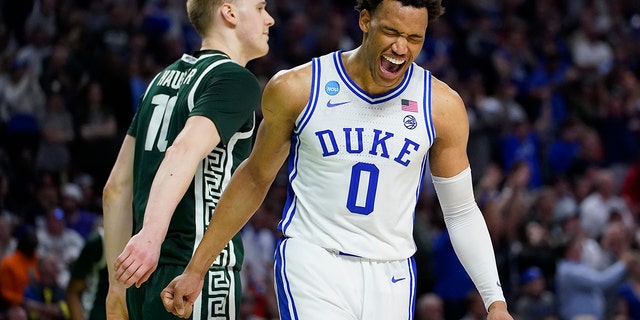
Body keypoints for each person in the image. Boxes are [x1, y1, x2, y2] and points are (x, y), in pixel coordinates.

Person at [162, 0, 513, 319]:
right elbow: (255, 177)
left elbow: (461, 212)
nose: (400, 48)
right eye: (390, 31)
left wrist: (494, 301)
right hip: (314, 259)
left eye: (414, 38)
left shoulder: (441, 106)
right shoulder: (299, 87)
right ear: (364, 21)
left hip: (392, 272)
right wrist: (197, 268)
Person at [103, 0, 274, 319]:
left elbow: (116, 188)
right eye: (261, 7)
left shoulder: (160, 80)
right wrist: (151, 237)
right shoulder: (235, 79)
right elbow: (184, 149)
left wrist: (116, 287)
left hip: (140, 279)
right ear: (230, 12)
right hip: (193, 278)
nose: (270, 19)